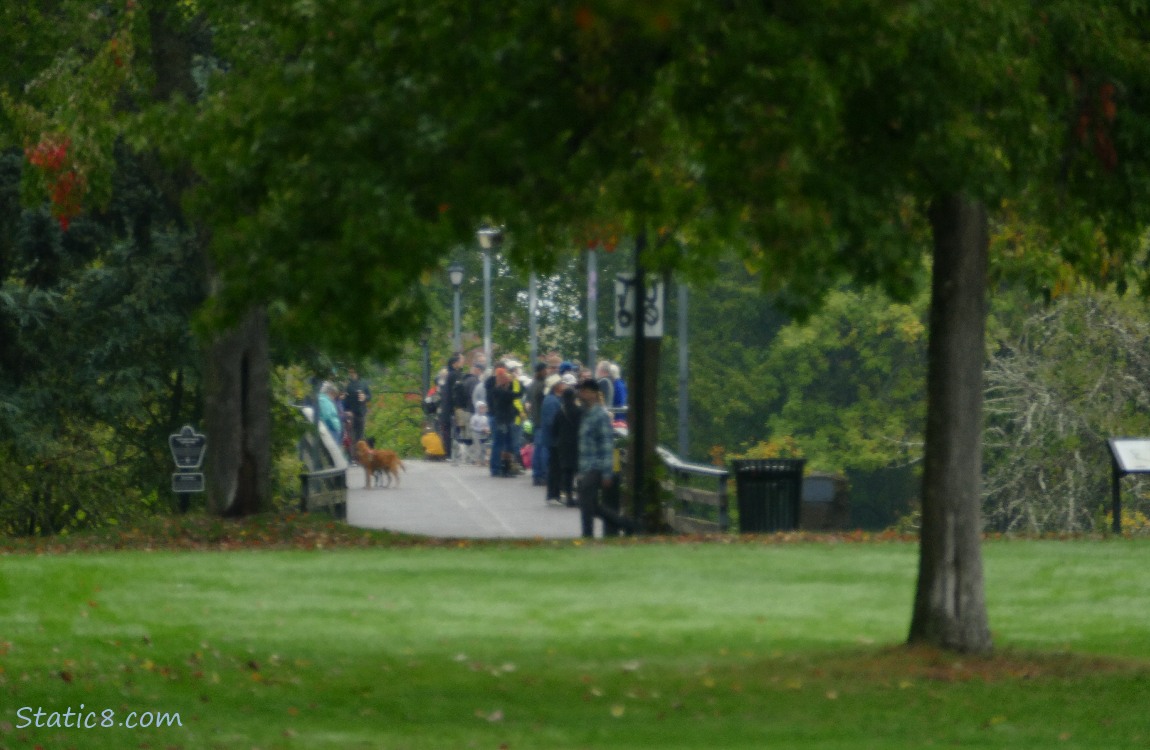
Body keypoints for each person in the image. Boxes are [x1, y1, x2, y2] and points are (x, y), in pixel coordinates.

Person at [575, 378, 633, 537]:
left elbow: (607, 445)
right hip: (586, 466)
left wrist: (607, 473)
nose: (581, 394)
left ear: (593, 394)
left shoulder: (600, 415)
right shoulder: (586, 415)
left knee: (586, 504)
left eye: (584, 391)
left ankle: (587, 536)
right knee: (593, 506)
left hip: (596, 466)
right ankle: (627, 524)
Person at [488, 367, 521, 476]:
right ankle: (500, 468)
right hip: (503, 420)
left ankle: (501, 467)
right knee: (502, 444)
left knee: (502, 444)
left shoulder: (497, 390)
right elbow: (516, 394)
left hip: (503, 419)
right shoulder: (499, 391)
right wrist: (515, 381)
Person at [534, 373, 562, 493]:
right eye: (561, 383)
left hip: (551, 436)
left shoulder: (551, 399)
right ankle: (551, 485)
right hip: (552, 437)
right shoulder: (552, 401)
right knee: (552, 461)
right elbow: (551, 421)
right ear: (556, 386)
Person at [527, 363, 550, 486]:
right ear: (542, 371)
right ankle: (543, 474)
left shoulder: (532, 384)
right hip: (542, 420)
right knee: (543, 449)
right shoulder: (543, 385)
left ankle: (536, 474)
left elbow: (529, 401)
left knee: (537, 448)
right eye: (545, 369)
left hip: (535, 419)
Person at [437, 353, 463, 459]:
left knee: (447, 431)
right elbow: (456, 392)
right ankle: (452, 452)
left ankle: (447, 451)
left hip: (446, 407)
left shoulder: (447, 375)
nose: (460, 364)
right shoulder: (454, 375)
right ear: (454, 364)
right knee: (455, 430)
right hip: (452, 407)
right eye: (458, 362)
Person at [344, 367, 372, 446]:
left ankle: (359, 456)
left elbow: (370, 396)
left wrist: (365, 397)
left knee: (360, 436)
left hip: (362, 413)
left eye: (353, 372)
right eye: (350, 372)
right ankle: (353, 456)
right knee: (352, 436)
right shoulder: (348, 384)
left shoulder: (363, 383)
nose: (352, 374)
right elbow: (345, 399)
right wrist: (347, 410)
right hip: (351, 414)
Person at [469, 400, 491, 465]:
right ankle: (475, 460)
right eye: (481, 408)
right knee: (478, 448)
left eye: (484, 408)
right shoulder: (474, 417)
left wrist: (487, 430)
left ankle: (483, 460)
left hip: (483, 434)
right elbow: (472, 427)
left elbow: (487, 426)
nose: (483, 409)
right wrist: (481, 429)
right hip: (476, 434)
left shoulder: (485, 418)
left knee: (483, 447)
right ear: (477, 408)